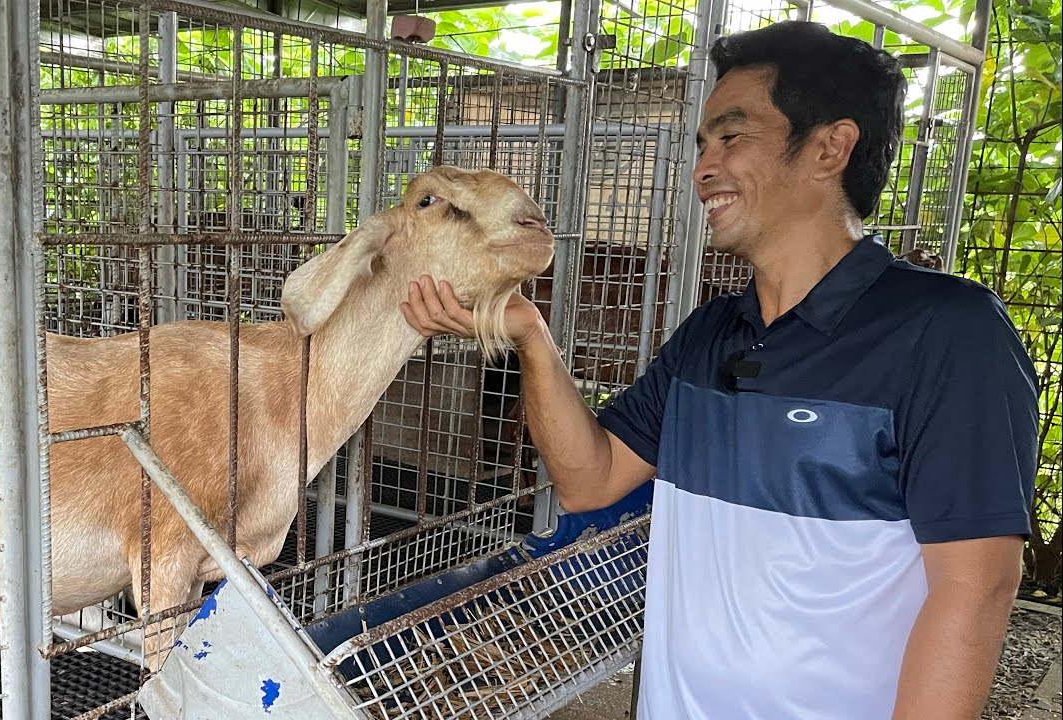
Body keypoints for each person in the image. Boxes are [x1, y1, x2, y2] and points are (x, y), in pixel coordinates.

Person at [399, 20, 1039, 720]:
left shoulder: (948, 332)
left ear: (830, 146)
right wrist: (529, 332)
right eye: (702, 144)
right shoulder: (710, 334)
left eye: (733, 137)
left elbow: (974, 591)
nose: (705, 166)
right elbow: (590, 480)